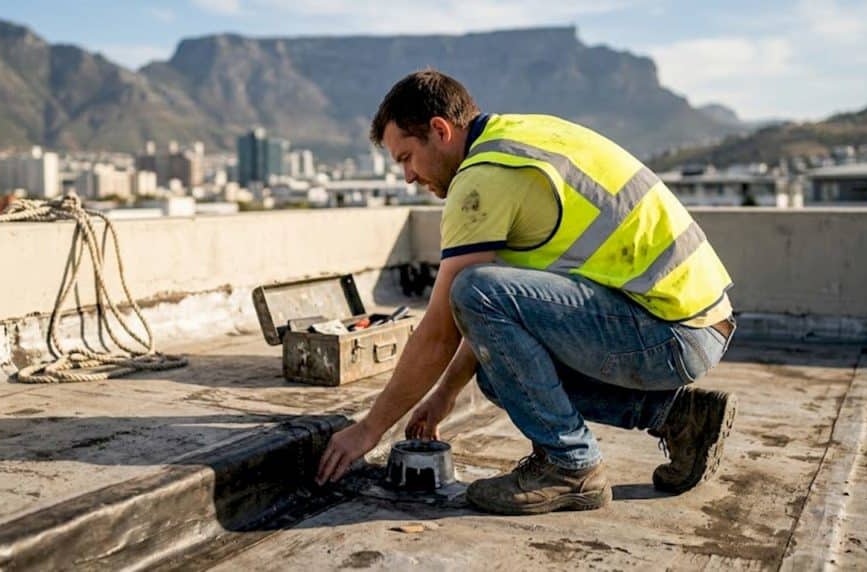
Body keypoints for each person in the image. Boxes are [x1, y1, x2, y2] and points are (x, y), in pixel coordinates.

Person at [315, 69, 737, 515]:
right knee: (499, 374)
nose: (406, 176)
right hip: (697, 325)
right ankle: (679, 418)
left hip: (668, 333)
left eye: (407, 157)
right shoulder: (519, 141)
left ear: (439, 130)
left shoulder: (482, 178)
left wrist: (369, 430)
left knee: (473, 288)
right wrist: (443, 396)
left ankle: (570, 467)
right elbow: (493, 322)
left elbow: (445, 328)